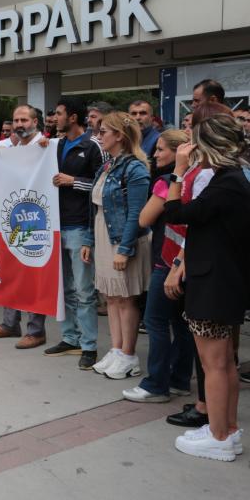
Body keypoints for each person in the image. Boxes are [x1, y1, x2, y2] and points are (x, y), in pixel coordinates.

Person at [165, 112, 249, 462]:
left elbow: (175, 213)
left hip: (213, 282)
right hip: (223, 280)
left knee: (214, 363)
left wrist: (178, 171)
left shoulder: (228, 181)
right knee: (225, 362)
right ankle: (226, 429)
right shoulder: (232, 179)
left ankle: (218, 436)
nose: (190, 146)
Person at [122, 129, 194, 402]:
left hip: (167, 260)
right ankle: (179, 380)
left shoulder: (166, 182)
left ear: (179, 153)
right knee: (182, 323)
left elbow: (143, 219)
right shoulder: (198, 180)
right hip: (188, 260)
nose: (155, 154)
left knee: (155, 321)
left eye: (162, 149)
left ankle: (156, 384)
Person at [82, 112, 151, 379]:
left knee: (125, 298)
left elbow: (136, 212)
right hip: (103, 235)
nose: (98, 137)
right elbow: (95, 208)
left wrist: (124, 248)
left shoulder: (135, 167)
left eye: (103, 132)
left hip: (121, 238)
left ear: (119, 136)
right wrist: (90, 239)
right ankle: (117, 349)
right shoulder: (107, 165)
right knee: (111, 297)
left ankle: (128, 355)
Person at [43, 97, 104, 369]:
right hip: (56, 227)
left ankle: (89, 345)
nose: (54, 118)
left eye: (58, 114)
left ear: (73, 118)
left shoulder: (92, 147)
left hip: (80, 226)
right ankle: (70, 338)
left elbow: (102, 185)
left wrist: (74, 182)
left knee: (84, 290)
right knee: (65, 288)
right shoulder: (53, 146)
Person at [0, 105, 48, 348]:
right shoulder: (12, 149)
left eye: (24, 119)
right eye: (16, 120)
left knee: (31, 274)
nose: (19, 124)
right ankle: (10, 323)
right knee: (10, 271)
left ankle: (36, 330)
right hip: (11, 217)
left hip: (36, 218)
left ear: (35, 122)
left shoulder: (46, 146)